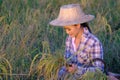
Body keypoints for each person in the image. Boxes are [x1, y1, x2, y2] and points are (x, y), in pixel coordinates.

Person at [49, 4, 104, 79]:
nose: (67, 32)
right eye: (65, 29)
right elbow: (67, 61)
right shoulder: (69, 40)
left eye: (69, 29)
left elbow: (99, 70)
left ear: (78, 25)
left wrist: (78, 70)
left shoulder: (93, 42)